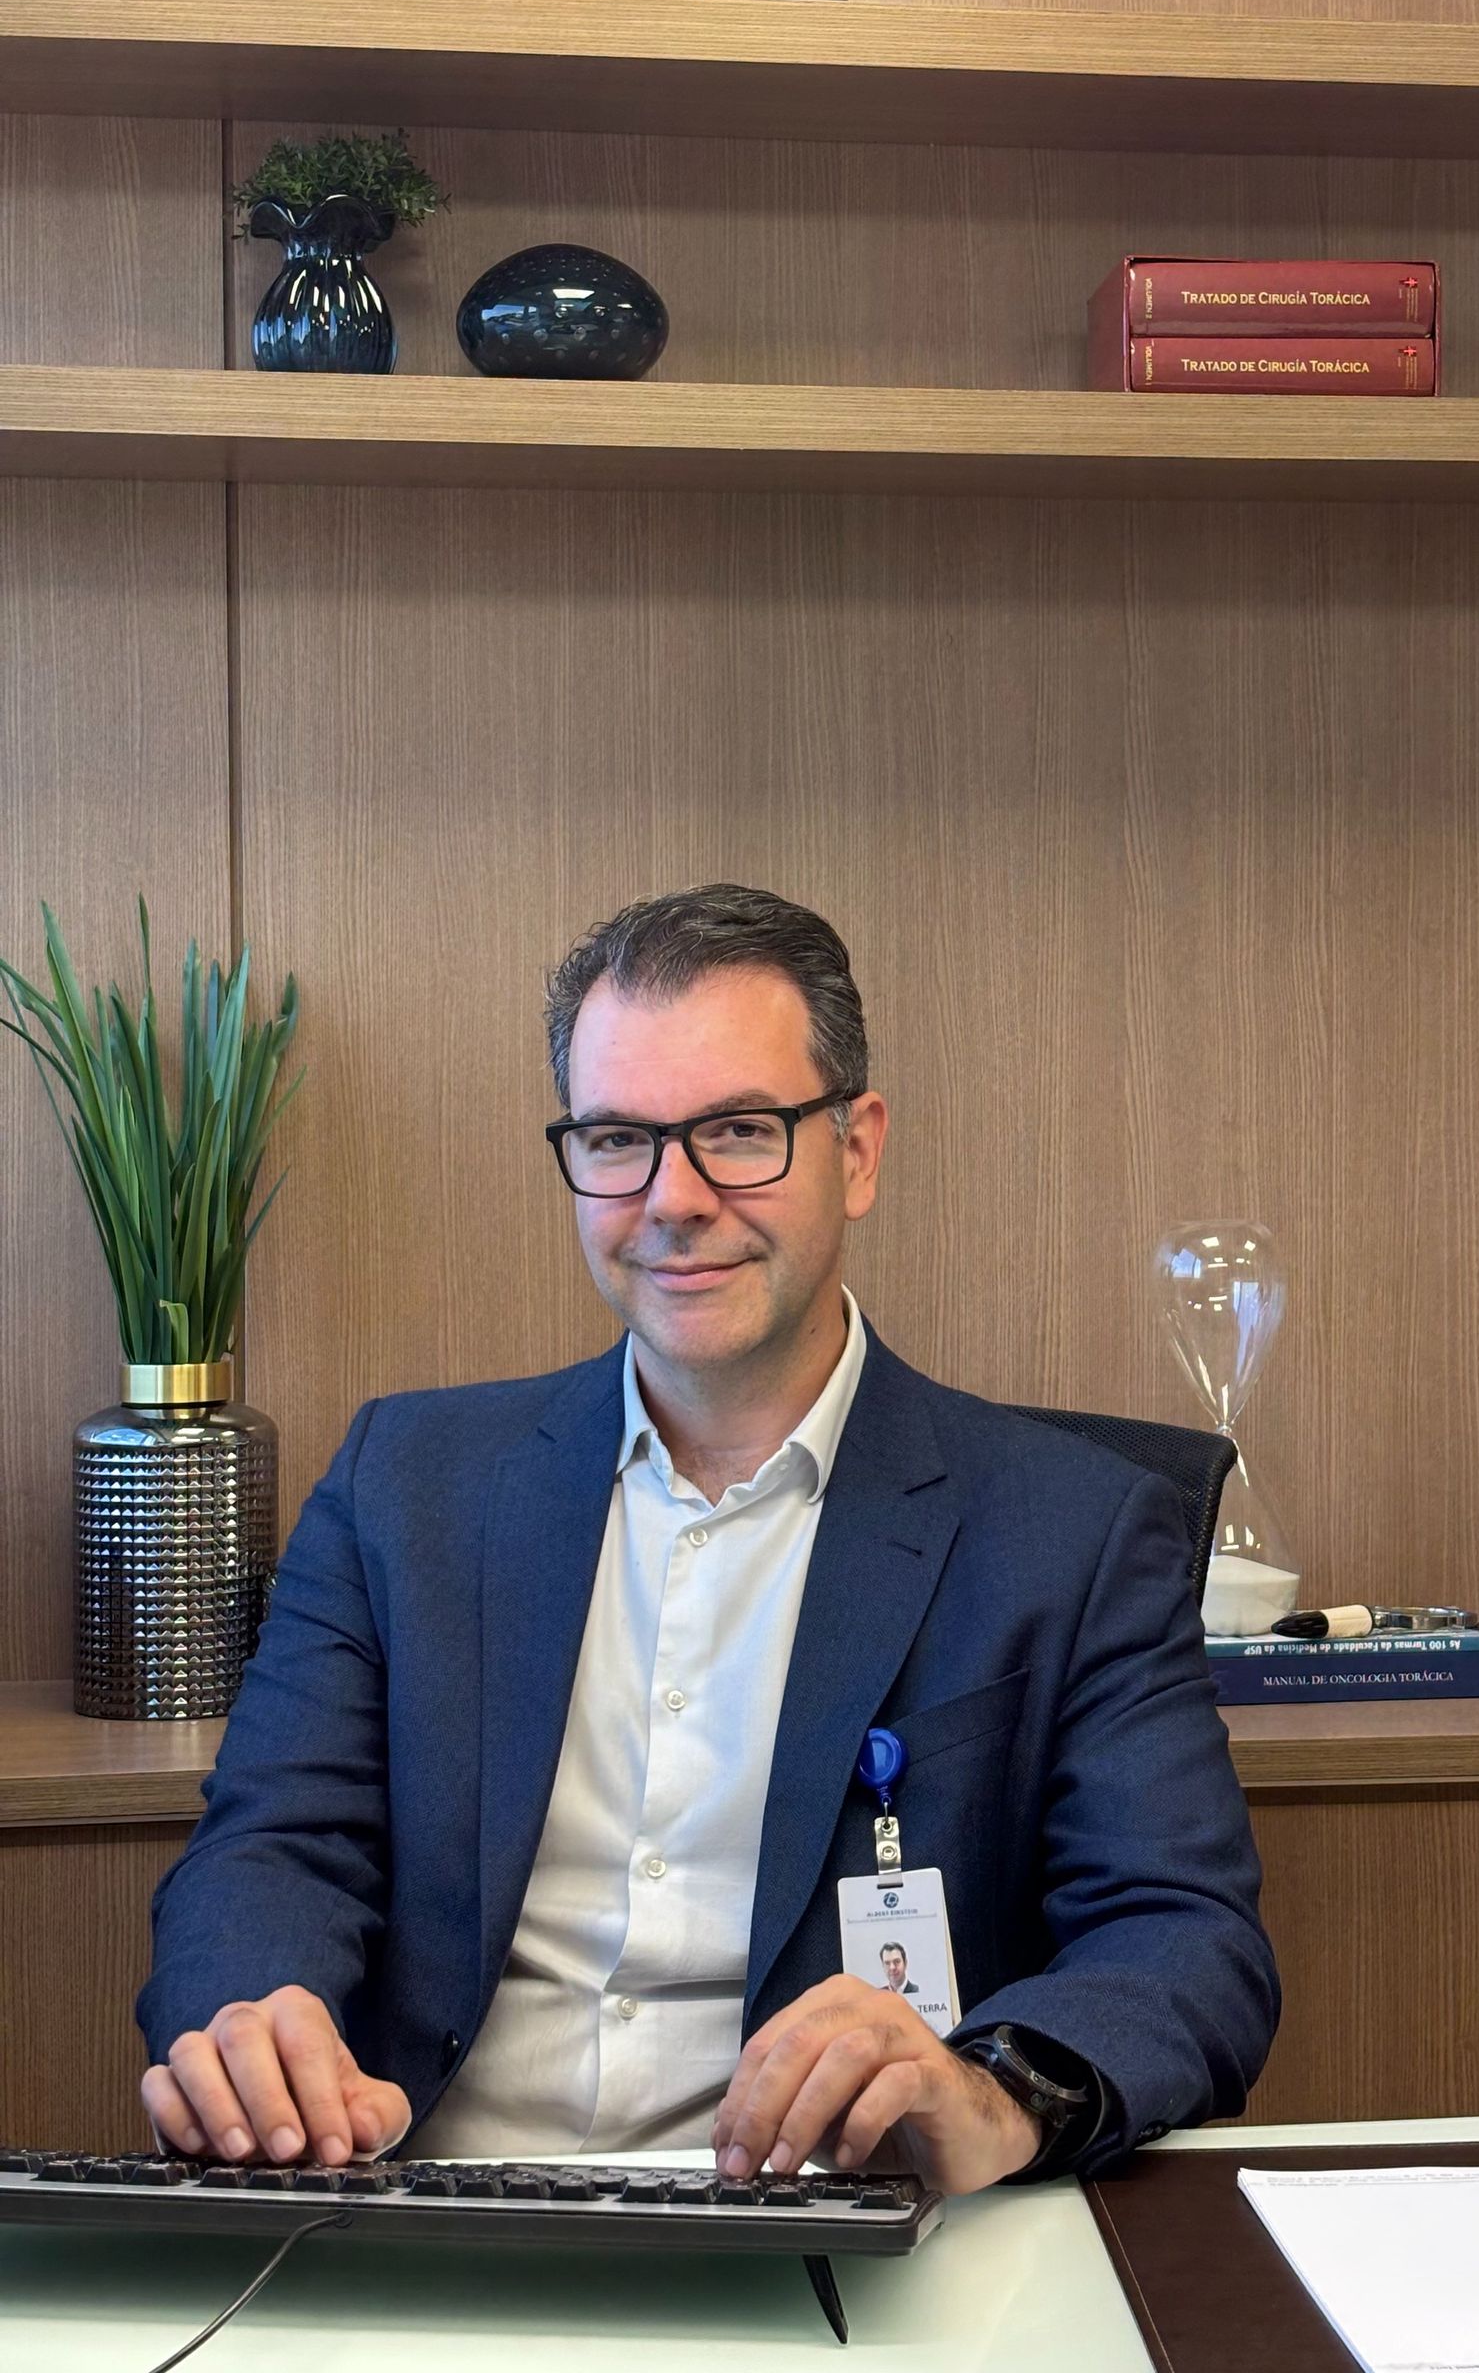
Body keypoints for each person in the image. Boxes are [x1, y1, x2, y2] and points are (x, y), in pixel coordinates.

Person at [137, 885, 1279, 2192]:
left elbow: (1182, 1941)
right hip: (418, 2202)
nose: (672, 1198)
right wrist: (255, 2022)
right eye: (619, 1138)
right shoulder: (405, 1482)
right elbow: (270, 1849)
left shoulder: (1072, 1529)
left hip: (822, 2223)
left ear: (857, 1150)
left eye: (740, 1132)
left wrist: (996, 2091)